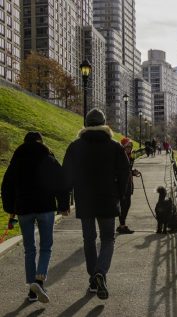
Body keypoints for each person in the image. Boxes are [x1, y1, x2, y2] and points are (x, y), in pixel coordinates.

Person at [63, 108, 130, 300]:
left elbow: (66, 174)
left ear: (86, 125)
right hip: (108, 199)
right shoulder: (114, 146)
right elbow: (124, 171)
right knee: (108, 238)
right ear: (104, 124)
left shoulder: (75, 146)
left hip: (85, 200)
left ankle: (93, 277)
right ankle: (101, 271)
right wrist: (119, 194)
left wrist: (65, 200)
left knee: (89, 239)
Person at [1, 131, 70, 303]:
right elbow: (61, 182)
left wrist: (11, 208)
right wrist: (63, 205)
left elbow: (7, 186)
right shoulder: (48, 158)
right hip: (45, 207)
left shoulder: (16, 160)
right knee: (46, 246)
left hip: (24, 209)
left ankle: (32, 290)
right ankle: (39, 281)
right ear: (41, 141)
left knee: (29, 248)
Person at [117, 137, 140, 234]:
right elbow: (120, 170)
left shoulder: (131, 156)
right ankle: (122, 225)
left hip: (129, 182)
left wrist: (133, 172)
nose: (129, 148)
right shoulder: (119, 156)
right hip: (122, 183)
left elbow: (127, 169)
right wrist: (130, 171)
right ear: (123, 147)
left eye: (130, 146)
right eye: (127, 146)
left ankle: (122, 225)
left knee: (127, 204)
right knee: (123, 204)